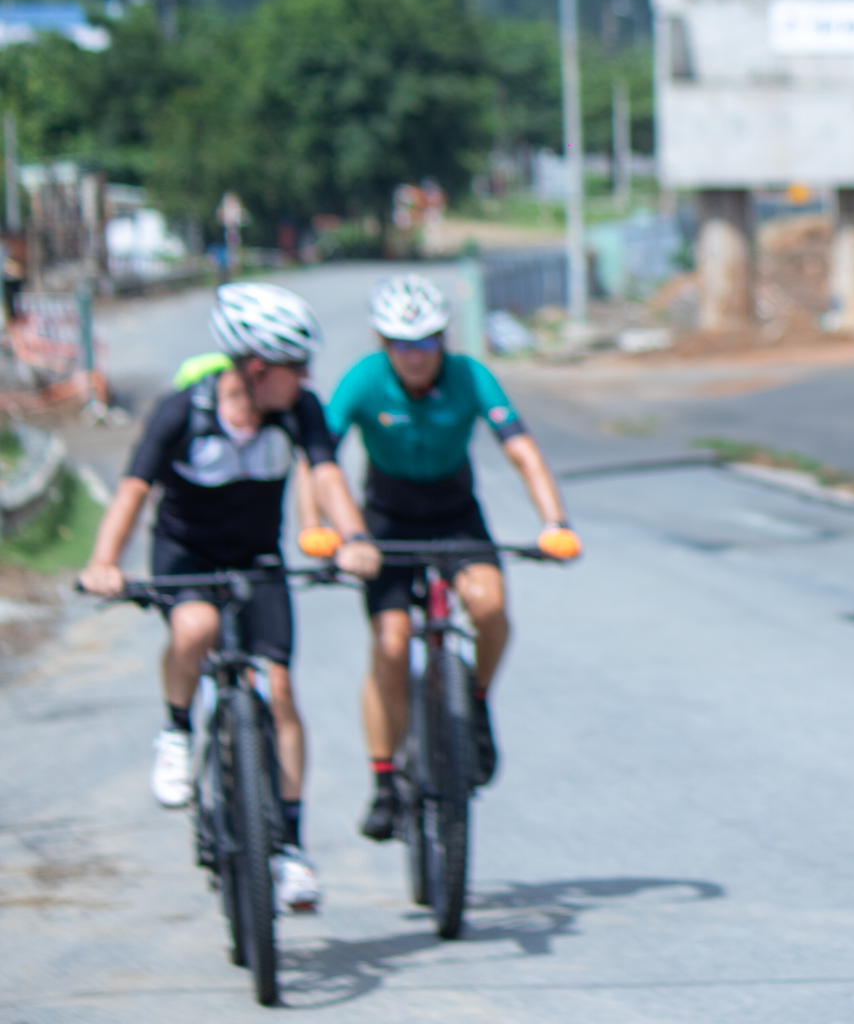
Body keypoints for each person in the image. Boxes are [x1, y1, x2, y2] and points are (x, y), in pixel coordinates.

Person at [80, 283, 383, 915]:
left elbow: (326, 473)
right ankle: (176, 729)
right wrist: (104, 564)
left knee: (278, 691)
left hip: (257, 558)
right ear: (254, 368)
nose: (305, 379)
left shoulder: (297, 411)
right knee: (194, 629)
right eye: (295, 367)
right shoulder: (179, 412)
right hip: (185, 555)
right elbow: (133, 491)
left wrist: (353, 537)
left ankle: (290, 850)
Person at [309, 274, 578, 843]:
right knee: (389, 643)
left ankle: (474, 701)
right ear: (383, 344)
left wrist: (555, 523)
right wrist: (320, 531)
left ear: (443, 340)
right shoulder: (363, 382)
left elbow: (521, 449)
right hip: (385, 519)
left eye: (427, 342)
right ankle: (384, 780)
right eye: (402, 344)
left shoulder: (469, 377)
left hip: (455, 513)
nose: (415, 356)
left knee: (489, 608)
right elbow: (319, 461)